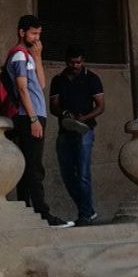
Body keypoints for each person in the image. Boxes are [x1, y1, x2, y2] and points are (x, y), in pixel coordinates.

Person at [4, 14, 72, 227]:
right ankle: (43, 214)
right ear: (21, 32)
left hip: (35, 114)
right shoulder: (18, 56)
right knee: (34, 167)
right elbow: (23, 88)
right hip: (28, 116)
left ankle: (28, 212)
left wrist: (39, 56)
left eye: (39, 34)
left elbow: (41, 84)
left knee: (29, 166)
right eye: (33, 33)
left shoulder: (29, 55)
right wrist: (33, 118)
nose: (36, 38)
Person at [49, 46, 105, 226]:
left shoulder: (92, 78)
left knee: (83, 173)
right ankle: (88, 209)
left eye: (79, 62)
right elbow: (53, 106)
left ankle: (85, 215)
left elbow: (101, 106)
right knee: (67, 174)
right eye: (72, 62)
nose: (76, 65)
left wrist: (84, 117)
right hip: (65, 129)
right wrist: (64, 113)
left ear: (83, 60)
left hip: (84, 130)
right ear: (66, 61)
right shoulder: (58, 80)